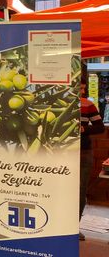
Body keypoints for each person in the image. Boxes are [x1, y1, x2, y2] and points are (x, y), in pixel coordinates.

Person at [79, 78, 104, 241]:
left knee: (80, 191)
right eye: (79, 89)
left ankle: (74, 226)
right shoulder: (56, 102)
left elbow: (100, 127)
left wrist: (84, 128)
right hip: (61, 153)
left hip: (83, 152)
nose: (82, 91)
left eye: (83, 88)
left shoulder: (88, 104)